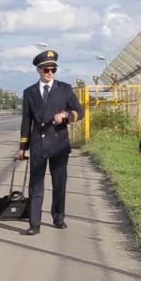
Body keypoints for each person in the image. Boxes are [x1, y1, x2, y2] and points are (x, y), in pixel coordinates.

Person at [18, 49, 85, 236]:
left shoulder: (65, 89)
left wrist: (66, 115)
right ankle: (34, 223)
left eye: (53, 70)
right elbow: (26, 121)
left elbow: (80, 112)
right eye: (46, 70)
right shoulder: (29, 92)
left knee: (59, 183)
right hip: (38, 145)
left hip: (59, 144)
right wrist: (23, 147)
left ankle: (58, 217)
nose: (50, 74)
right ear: (39, 70)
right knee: (36, 185)